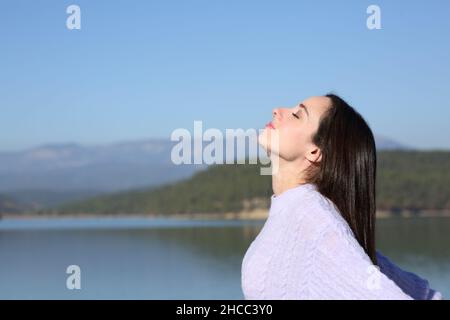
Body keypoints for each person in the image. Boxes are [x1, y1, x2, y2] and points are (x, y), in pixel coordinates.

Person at [241, 94, 442, 300]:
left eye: (297, 115)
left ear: (314, 151)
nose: (277, 110)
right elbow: (424, 294)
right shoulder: (299, 212)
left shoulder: (315, 223)